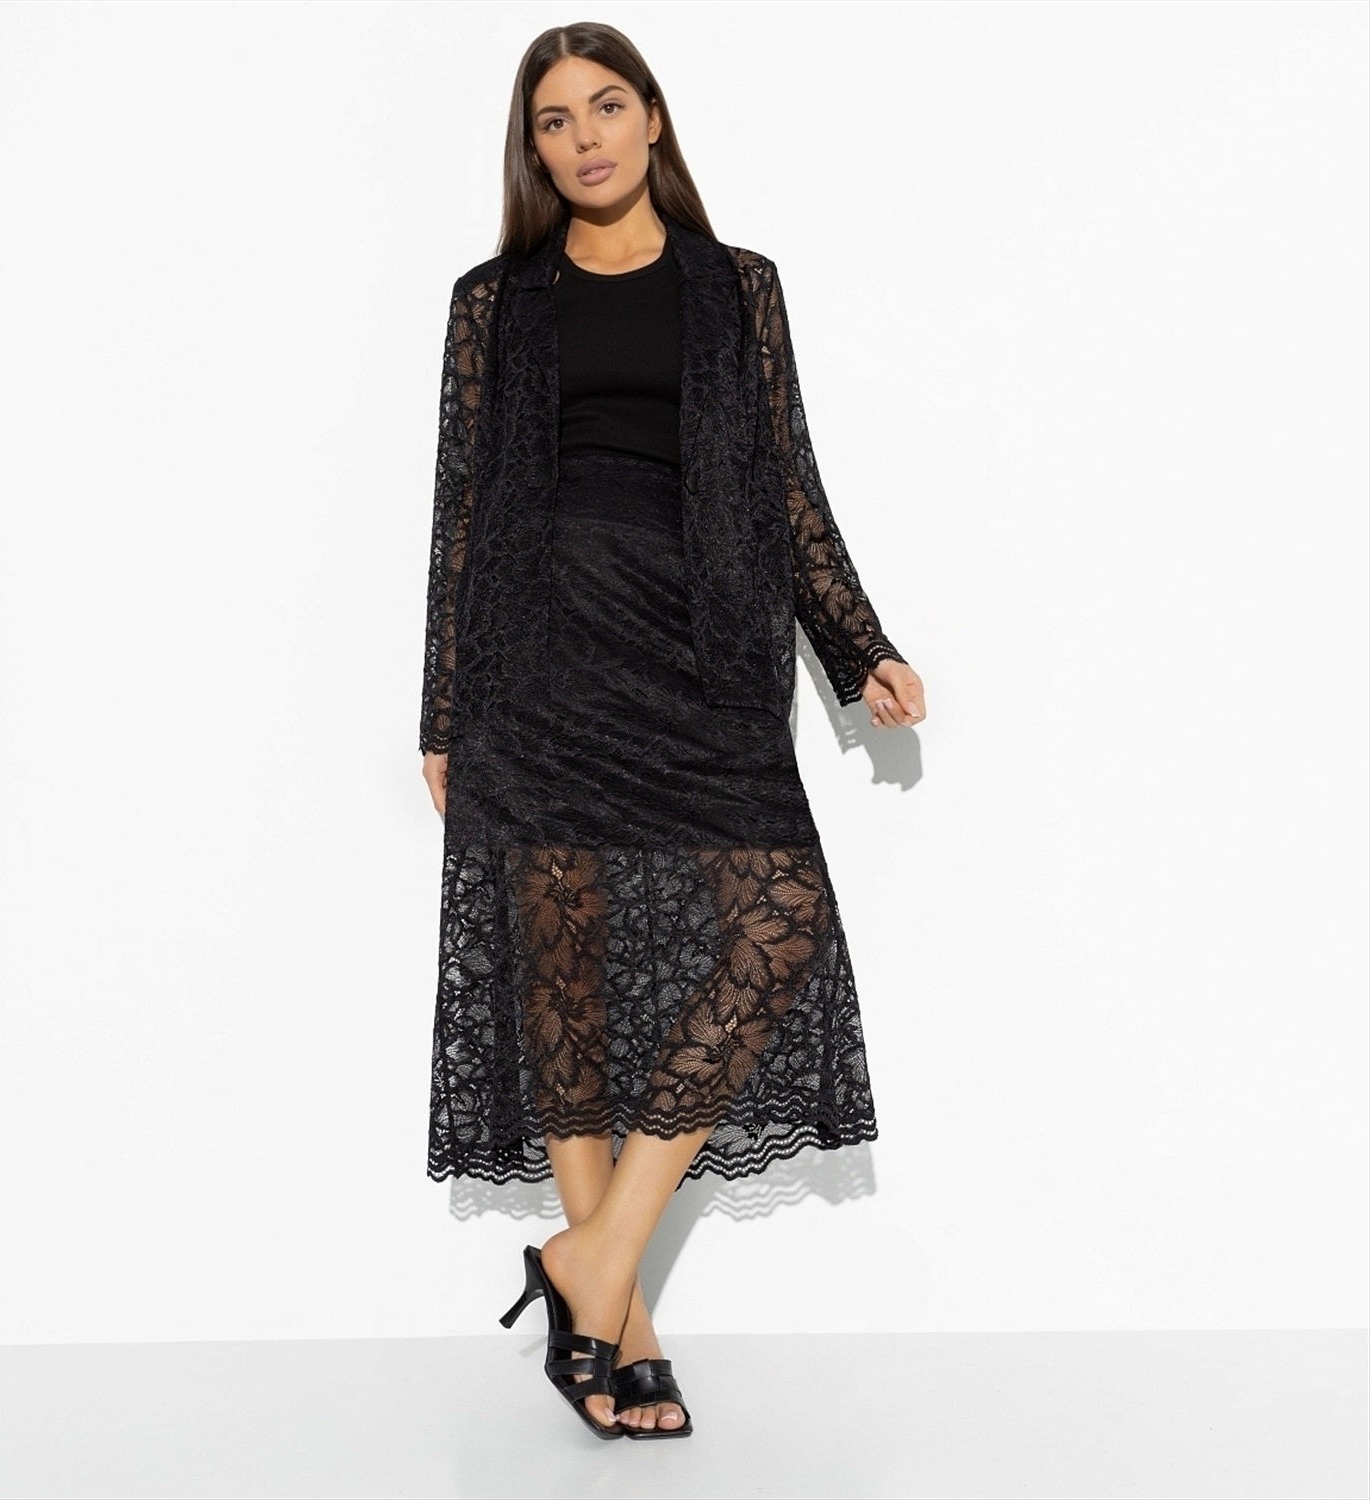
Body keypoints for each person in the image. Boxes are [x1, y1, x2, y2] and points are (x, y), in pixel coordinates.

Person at [417, 22, 926, 1440]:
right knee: (565, 969)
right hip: (538, 654)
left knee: (778, 917)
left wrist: (860, 644)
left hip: (701, 649)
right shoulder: (494, 302)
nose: (583, 137)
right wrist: (444, 708)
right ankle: (618, 1320)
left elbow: (787, 486)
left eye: (605, 106)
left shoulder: (736, 287)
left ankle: (590, 1257)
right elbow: (461, 511)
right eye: (553, 121)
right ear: (534, 152)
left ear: (652, 119)